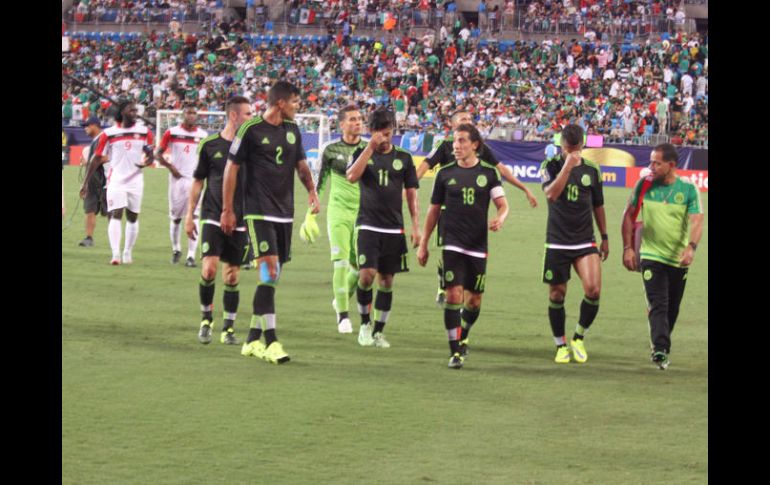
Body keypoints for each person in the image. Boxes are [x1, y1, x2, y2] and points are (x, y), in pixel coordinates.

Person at [221, 81, 320, 365]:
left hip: (284, 214)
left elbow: (301, 166)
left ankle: (251, 339)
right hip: (258, 213)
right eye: (295, 102)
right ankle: (272, 341)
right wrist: (228, 209)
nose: (298, 107)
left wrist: (312, 192)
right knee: (269, 271)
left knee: (271, 278)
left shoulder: (292, 130)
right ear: (280, 103)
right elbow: (231, 168)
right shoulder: (250, 130)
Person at [416, 109, 537, 306]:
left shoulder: (480, 148)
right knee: (449, 252)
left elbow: (501, 169)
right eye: (463, 119)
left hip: (472, 216)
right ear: (453, 125)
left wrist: (524, 188)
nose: (468, 121)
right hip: (448, 212)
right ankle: (446, 284)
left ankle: (454, 286)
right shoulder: (444, 146)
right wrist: (410, 185)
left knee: (468, 278)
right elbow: (425, 165)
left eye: (470, 118)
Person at [417, 124, 509, 369]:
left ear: (474, 145)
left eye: (461, 141)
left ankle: (464, 333)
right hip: (452, 243)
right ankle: (455, 351)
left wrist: (500, 217)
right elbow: (433, 211)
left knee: (474, 301)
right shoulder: (444, 174)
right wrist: (424, 243)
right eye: (455, 141)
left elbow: (502, 204)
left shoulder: (489, 173)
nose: (455, 146)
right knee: (453, 295)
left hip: (478, 245)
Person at [621, 144, 703, 370]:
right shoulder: (644, 184)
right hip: (650, 255)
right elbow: (628, 215)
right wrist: (628, 248)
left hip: (677, 259)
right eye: (651, 162)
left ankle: (661, 342)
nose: (651, 166)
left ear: (671, 165)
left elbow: (697, 221)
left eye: (657, 163)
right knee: (659, 303)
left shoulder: (688, 189)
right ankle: (660, 349)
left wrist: (691, 247)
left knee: (672, 309)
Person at [346, 108, 421, 349]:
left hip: (394, 229)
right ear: (371, 131)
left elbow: (412, 195)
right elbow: (351, 177)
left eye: (388, 133)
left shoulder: (404, 158)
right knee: (366, 275)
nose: (384, 139)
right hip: (367, 225)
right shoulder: (360, 153)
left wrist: (416, 227)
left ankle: (379, 331)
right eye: (380, 134)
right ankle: (364, 324)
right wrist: (370, 147)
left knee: (387, 281)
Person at [187, 96, 253, 345]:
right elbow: (198, 181)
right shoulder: (210, 145)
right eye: (247, 114)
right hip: (213, 214)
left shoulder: (251, 148)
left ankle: (228, 328)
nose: (251, 118)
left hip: (241, 218)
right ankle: (206, 321)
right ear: (234, 115)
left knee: (232, 276)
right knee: (209, 269)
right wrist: (190, 215)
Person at [540, 124, 608, 364]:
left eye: (575, 149)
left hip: (584, 240)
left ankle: (578, 337)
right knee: (557, 294)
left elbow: (598, 205)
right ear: (562, 146)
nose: (570, 153)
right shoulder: (550, 166)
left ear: (581, 146)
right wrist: (567, 167)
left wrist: (605, 236)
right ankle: (560, 345)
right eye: (567, 149)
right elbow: (551, 195)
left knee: (593, 290)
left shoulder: (592, 170)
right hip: (557, 241)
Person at [301, 105, 369, 334]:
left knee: (361, 268)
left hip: (364, 214)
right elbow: (318, 183)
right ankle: (343, 316)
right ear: (341, 124)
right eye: (352, 119)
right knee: (340, 262)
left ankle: (341, 298)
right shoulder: (330, 149)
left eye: (359, 119)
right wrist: (310, 214)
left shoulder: (368, 148)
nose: (357, 122)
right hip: (339, 213)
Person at [80, 101, 155, 265]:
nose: (135, 113)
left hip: (136, 181)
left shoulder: (145, 132)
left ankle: (127, 251)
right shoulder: (109, 134)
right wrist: (85, 182)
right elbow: (96, 158)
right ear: (122, 112)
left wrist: (148, 160)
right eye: (131, 110)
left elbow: (150, 153)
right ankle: (115, 254)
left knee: (132, 217)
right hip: (116, 180)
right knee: (116, 214)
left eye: (136, 110)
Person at [156, 106, 209, 267]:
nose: (192, 116)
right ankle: (176, 249)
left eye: (194, 113)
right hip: (177, 180)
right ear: (183, 115)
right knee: (176, 218)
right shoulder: (171, 133)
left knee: (194, 216)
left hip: (195, 181)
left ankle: (191, 256)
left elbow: (208, 158)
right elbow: (157, 153)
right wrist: (170, 167)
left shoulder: (203, 135)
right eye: (189, 113)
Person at [78, 117, 110, 247]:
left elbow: (108, 156)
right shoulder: (96, 140)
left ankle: (114, 239)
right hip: (93, 180)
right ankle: (89, 238)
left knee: (111, 211)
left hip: (105, 179)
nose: (85, 129)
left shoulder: (104, 138)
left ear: (94, 125)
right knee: (90, 208)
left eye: (87, 126)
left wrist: (91, 161)